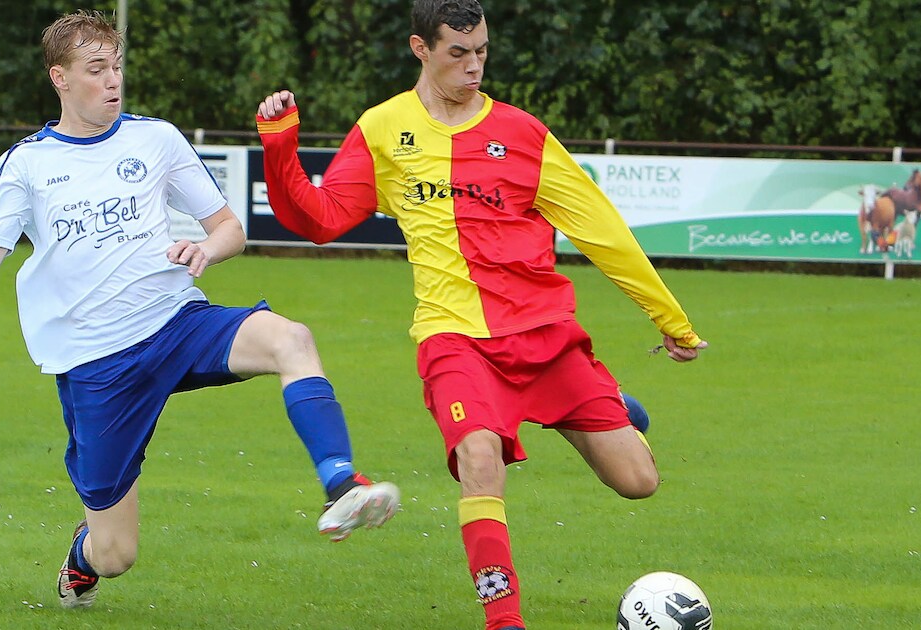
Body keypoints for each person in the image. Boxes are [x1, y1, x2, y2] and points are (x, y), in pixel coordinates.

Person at [0, 10, 399, 611]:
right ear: (60, 78)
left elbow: (228, 228)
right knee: (117, 553)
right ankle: (82, 560)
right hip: (97, 365)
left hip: (176, 322)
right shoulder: (27, 165)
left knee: (291, 338)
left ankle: (340, 484)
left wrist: (204, 248)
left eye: (116, 67)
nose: (112, 82)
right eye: (96, 70)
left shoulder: (156, 139)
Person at [255, 1, 707, 628]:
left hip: (545, 337)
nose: (474, 67)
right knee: (478, 457)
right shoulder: (385, 128)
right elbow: (322, 219)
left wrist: (670, 319)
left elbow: (602, 231)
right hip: (455, 339)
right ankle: (505, 621)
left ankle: (606, 404)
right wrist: (281, 147)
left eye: (482, 52)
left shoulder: (523, 134)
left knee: (638, 482)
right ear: (422, 48)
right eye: (458, 54)